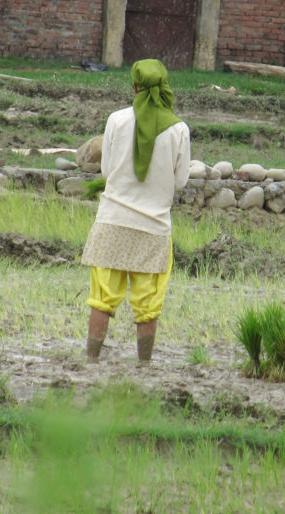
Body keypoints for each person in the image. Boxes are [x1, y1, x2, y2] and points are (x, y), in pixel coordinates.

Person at [80, 59, 190, 364]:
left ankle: (91, 360)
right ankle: (143, 365)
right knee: (148, 303)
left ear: (135, 87)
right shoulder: (179, 129)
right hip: (153, 228)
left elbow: (106, 169)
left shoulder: (116, 120)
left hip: (112, 221)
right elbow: (180, 181)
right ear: (166, 86)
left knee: (102, 298)